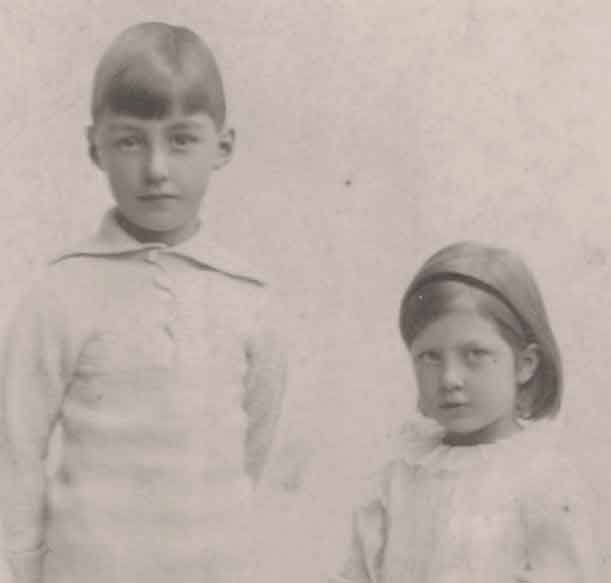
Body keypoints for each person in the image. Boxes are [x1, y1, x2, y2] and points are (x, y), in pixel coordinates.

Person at [0, 22, 287, 583]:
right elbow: (16, 448)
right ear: (94, 148)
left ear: (222, 147)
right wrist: (26, 567)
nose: (156, 169)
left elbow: (253, 446)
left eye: (182, 140)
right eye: (131, 140)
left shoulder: (248, 299)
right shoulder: (61, 292)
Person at [332, 241, 601, 582]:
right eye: (430, 357)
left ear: (525, 364)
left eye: (475, 354)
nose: (449, 379)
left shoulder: (544, 482)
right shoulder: (398, 476)